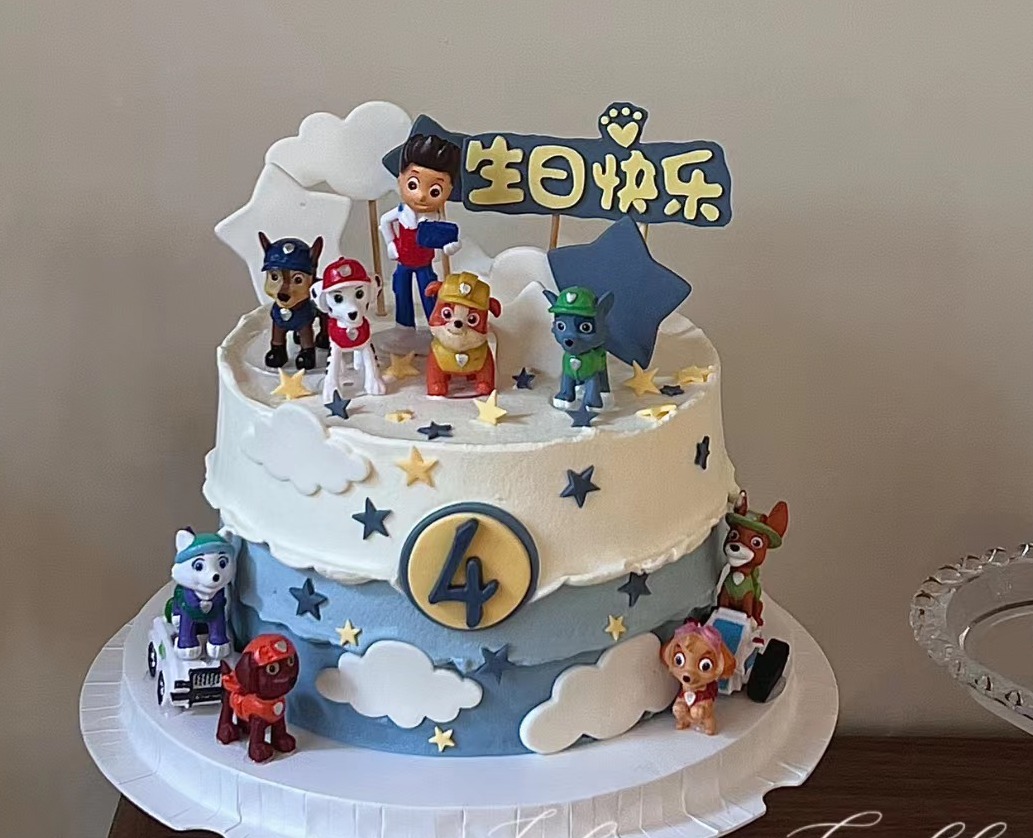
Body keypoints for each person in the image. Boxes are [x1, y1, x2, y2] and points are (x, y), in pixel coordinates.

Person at [379, 134, 462, 330]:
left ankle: (435, 324)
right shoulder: (401, 212)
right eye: (413, 185)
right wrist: (391, 243)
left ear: (449, 189)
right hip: (403, 262)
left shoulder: (436, 219)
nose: (422, 196)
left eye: (434, 191)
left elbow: (448, 238)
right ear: (400, 180)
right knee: (401, 290)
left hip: (425, 264)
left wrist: (452, 246)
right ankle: (404, 325)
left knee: (429, 292)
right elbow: (384, 221)